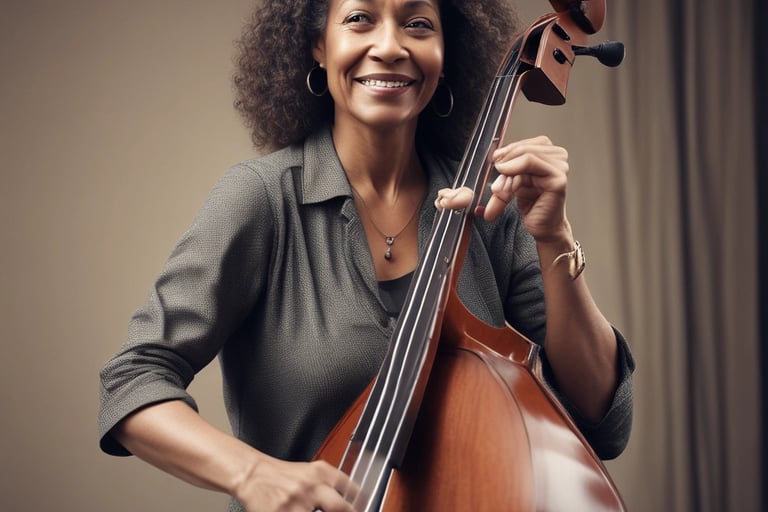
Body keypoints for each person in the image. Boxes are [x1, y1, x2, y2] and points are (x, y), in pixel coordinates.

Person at [98, 0, 635, 511]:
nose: (390, 46)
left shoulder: (492, 204)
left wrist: (555, 239)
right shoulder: (262, 200)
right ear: (318, 45)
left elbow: (600, 420)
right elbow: (133, 380)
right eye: (359, 19)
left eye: (418, 24)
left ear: (448, 52)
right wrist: (251, 473)